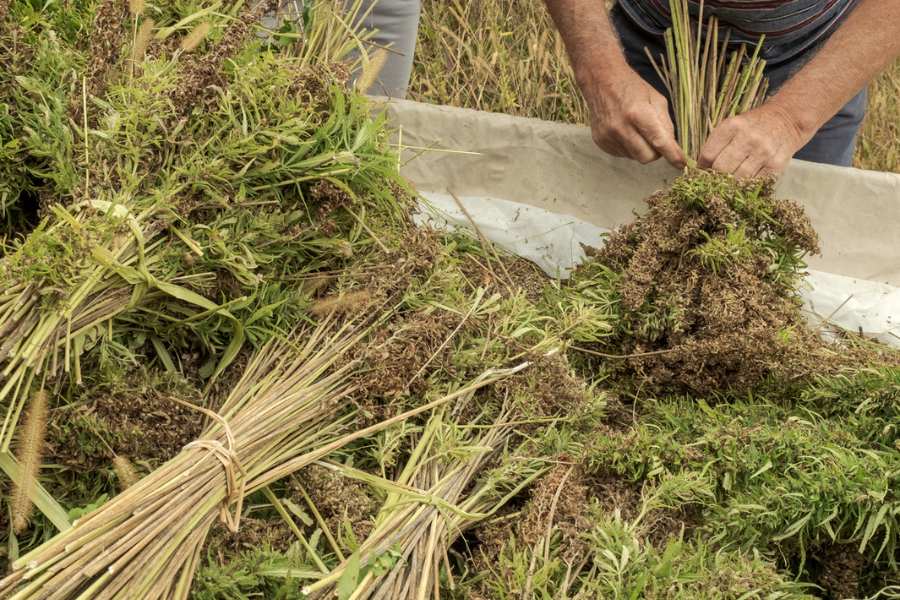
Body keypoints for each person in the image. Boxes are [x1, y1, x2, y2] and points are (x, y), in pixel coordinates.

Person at [543, 0, 900, 176]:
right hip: (652, 42)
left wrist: (792, 119)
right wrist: (599, 71)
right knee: (626, 226)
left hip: (815, 58)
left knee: (798, 252)